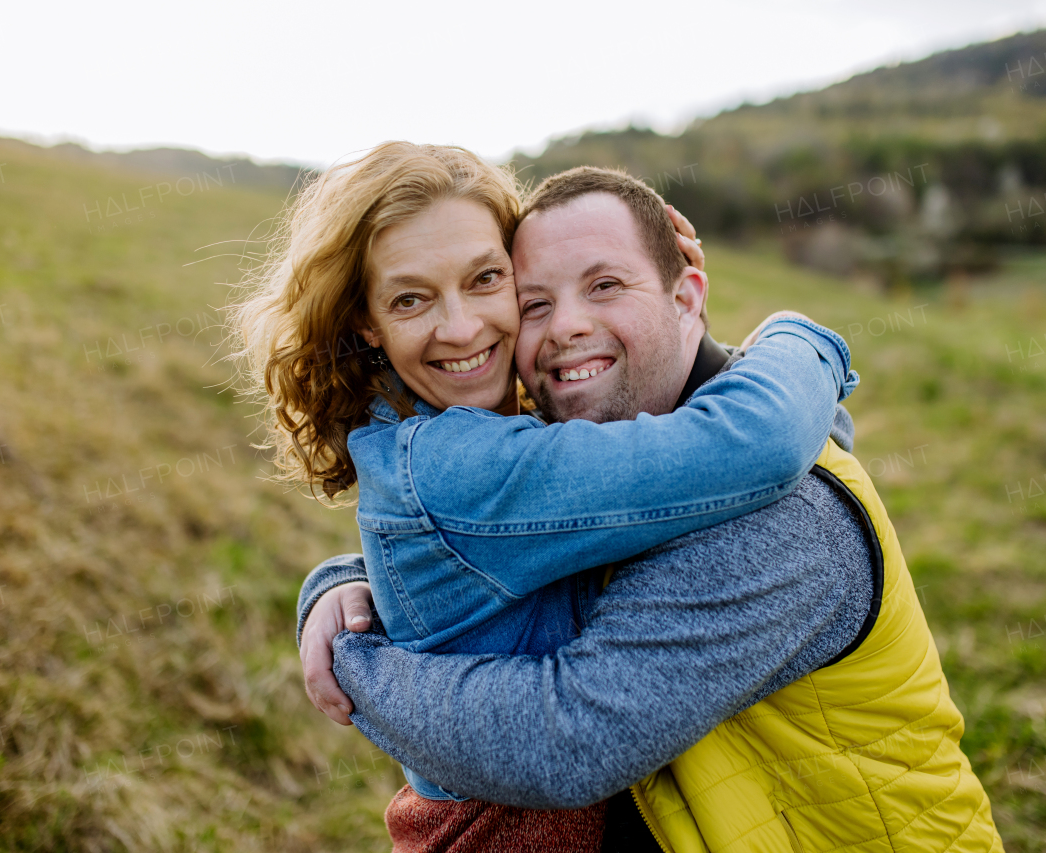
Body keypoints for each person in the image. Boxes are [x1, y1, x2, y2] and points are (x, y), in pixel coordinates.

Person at [303, 167, 1006, 852]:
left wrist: (355, 659)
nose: (566, 328)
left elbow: (567, 741)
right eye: (536, 302)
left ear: (687, 296)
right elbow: (471, 540)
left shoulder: (777, 522)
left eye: (605, 285)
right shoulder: (596, 456)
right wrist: (348, 581)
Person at [232, 143, 857, 851]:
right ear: (366, 324)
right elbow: (760, 442)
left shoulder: (441, 426)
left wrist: (345, 583)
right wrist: (801, 340)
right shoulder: (460, 462)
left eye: (488, 279)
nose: (462, 327)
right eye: (410, 297)